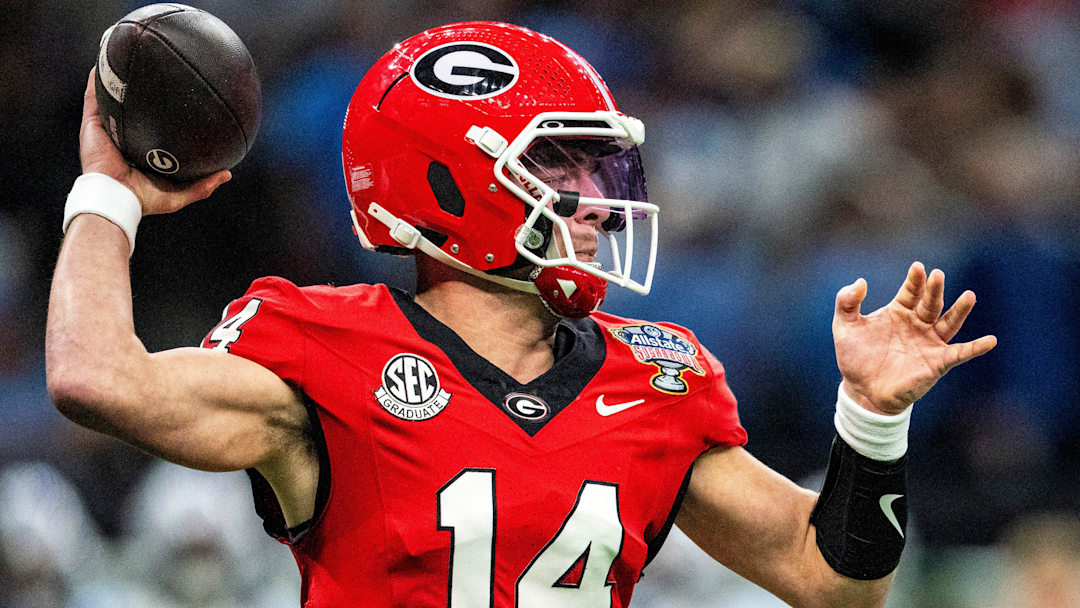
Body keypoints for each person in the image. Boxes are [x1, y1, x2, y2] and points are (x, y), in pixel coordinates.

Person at [46, 21, 996, 608]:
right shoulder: (324, 347)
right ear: (443, 183)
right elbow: (97, 379)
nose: (595, 199)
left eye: (600, 167)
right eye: (560, 167)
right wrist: (107, 195)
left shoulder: (657, 378)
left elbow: (832, 582)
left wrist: (872, 420)